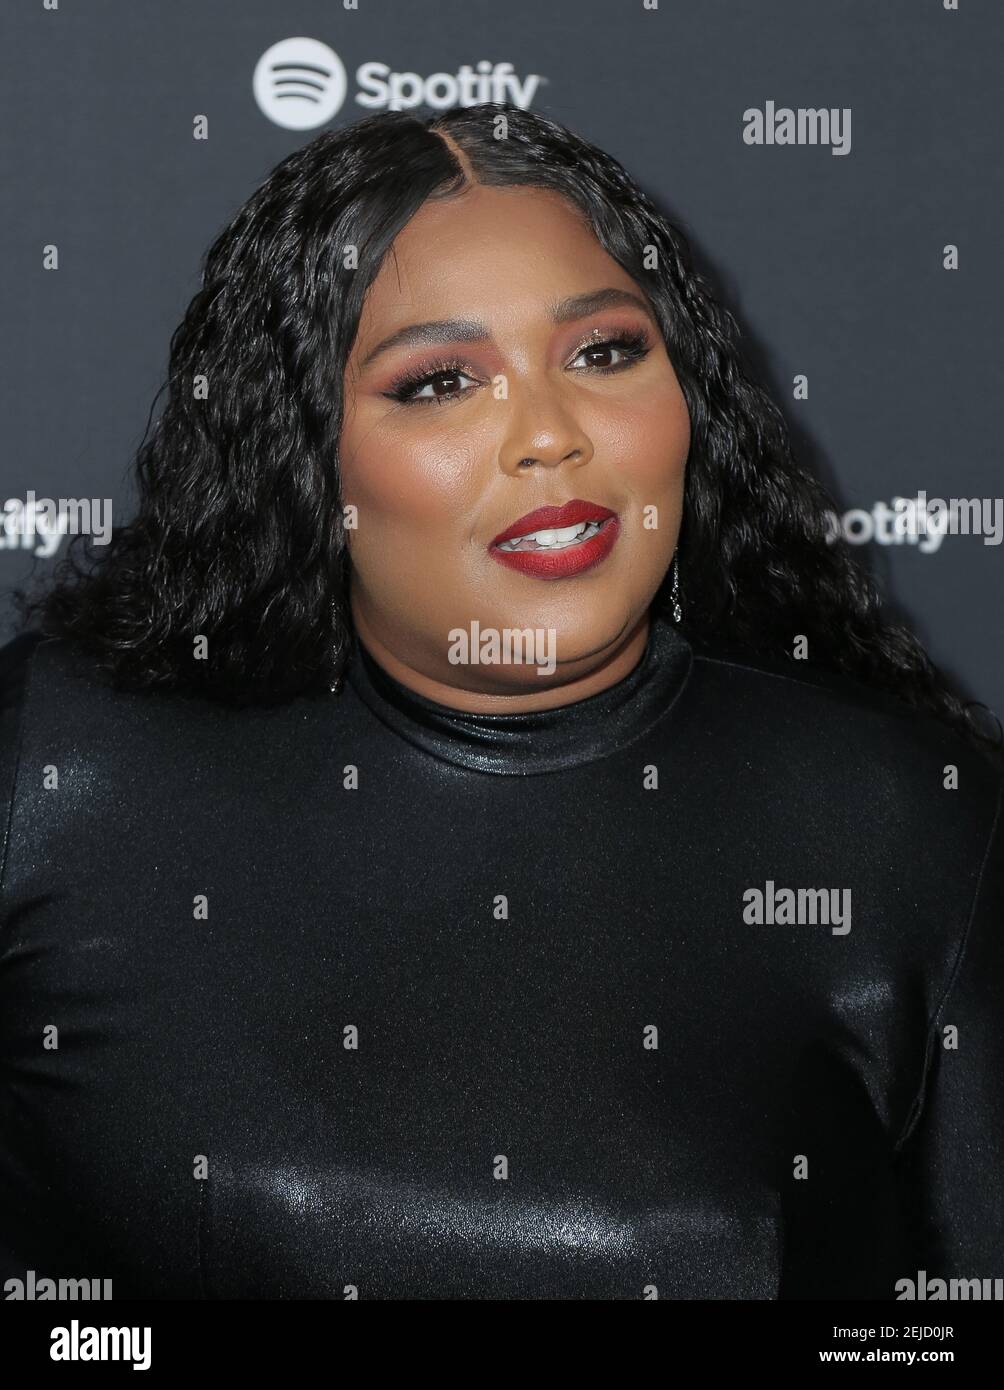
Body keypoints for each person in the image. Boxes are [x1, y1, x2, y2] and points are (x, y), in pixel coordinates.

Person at [1, 103, 1001, 1301]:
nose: (547, 437)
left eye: (602, 352)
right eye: (437, 381)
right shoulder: (53, 773)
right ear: (304, 454)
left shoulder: (908, 821)